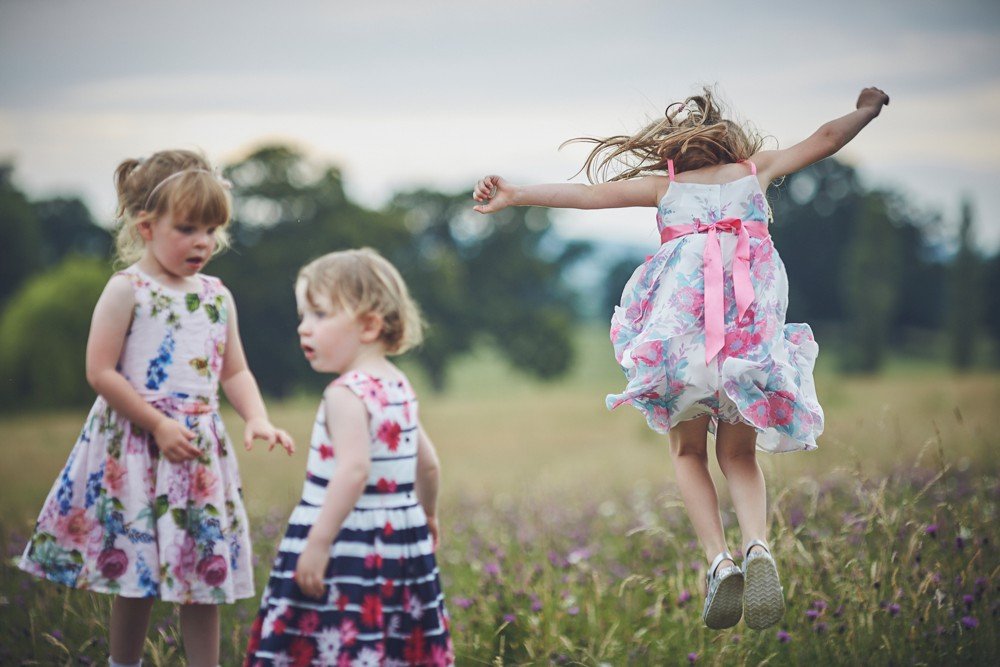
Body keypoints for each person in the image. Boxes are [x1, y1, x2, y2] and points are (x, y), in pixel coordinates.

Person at [472, 87, 890, 630]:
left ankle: (719, 562)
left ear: (674, 152)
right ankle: (758, 546)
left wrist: (516, 194)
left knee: (688, 452)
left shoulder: (664, 188)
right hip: (747, 349)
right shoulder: (754, 172)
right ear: (734, 146)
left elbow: (586, 196)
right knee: (739, 457)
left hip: (682, 351)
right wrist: (865, 109)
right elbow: (828, 139)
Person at [18, 149, 295, 667]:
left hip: (195, 453)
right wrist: (159, 424)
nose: (202, 242)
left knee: (203, 575)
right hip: (139, 445)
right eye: (187, 228)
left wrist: (257, 416)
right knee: (136, 571)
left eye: (211, 229)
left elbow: (233, 370)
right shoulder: (128, 291)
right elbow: (100, 372)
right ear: (146, 226)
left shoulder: (216, 295)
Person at [245, 248, 454, 666]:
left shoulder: (345, 393)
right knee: (388, 640)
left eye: (320, 315)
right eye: (303, 315)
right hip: (400, 537)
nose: (304, 328)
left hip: (348, 543)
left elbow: (354, 470)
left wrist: (318, 543)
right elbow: (427, 463)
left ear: (369, 325)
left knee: (336, 637)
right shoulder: (398, 385)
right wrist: (427, 514)